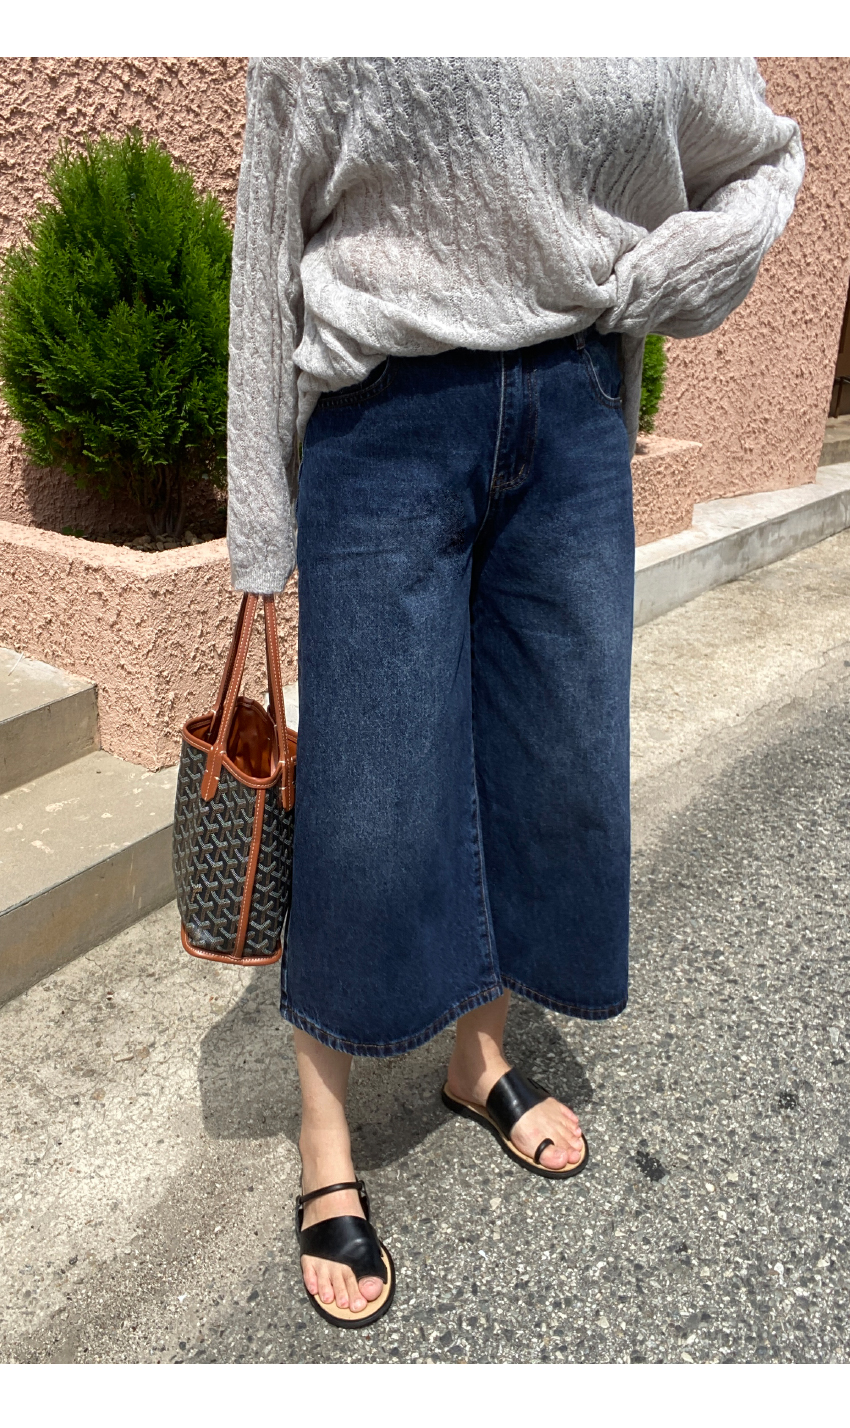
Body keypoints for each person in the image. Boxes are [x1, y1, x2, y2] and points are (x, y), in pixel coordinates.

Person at [226, 57, 803, 1328]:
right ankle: (324, 1136)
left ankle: (477, 1058)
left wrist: (673, 271)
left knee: (553, 770)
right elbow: (268, 235)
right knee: (371, 805)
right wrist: (259, 530)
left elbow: (765, 154)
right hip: (384, 421)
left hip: (575, 411)